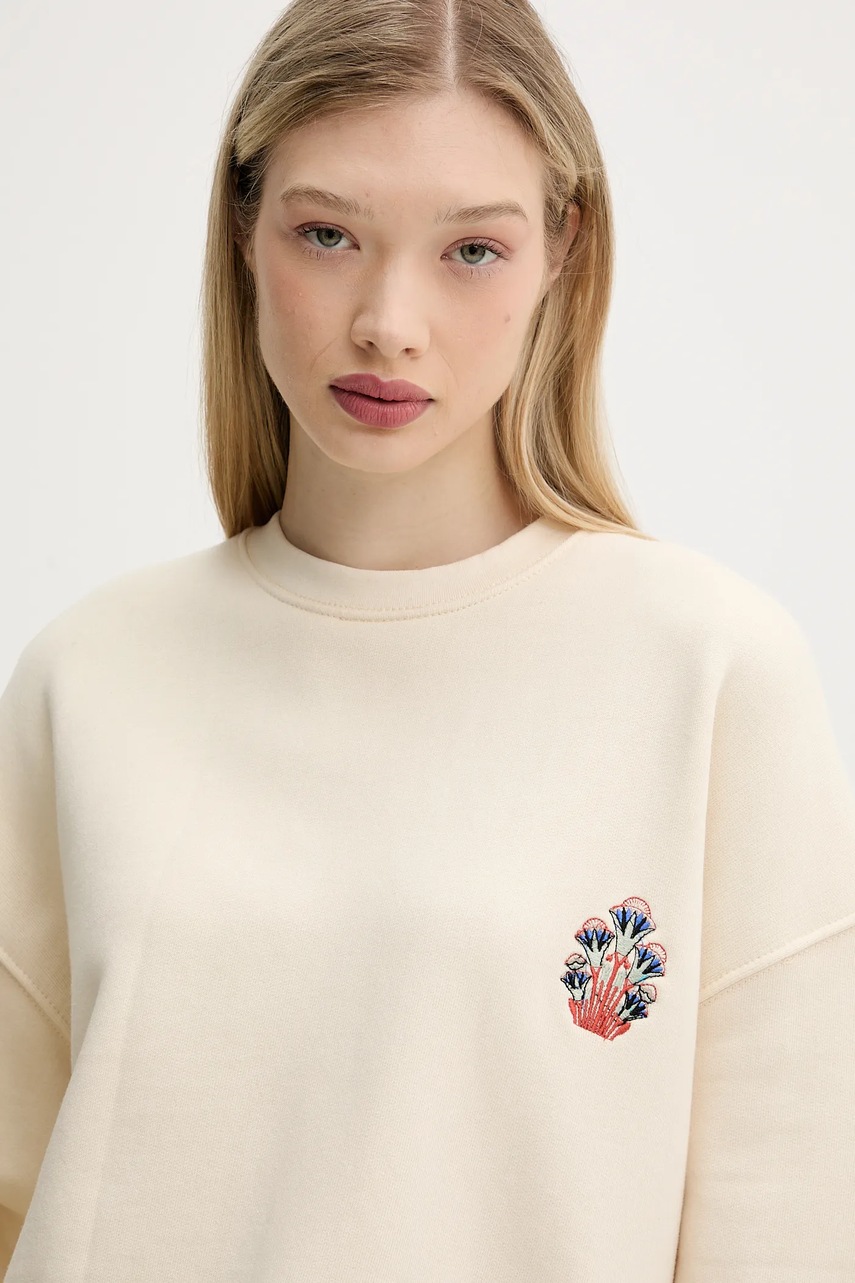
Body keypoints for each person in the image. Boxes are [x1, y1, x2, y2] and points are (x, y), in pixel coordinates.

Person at [2, 0, 853, 1279]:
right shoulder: (88, 676)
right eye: (327, 234)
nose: (388, 320)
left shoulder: (710, 673)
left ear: (563, 250)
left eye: (471, 250)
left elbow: (786, 1230)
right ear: (242, 228)